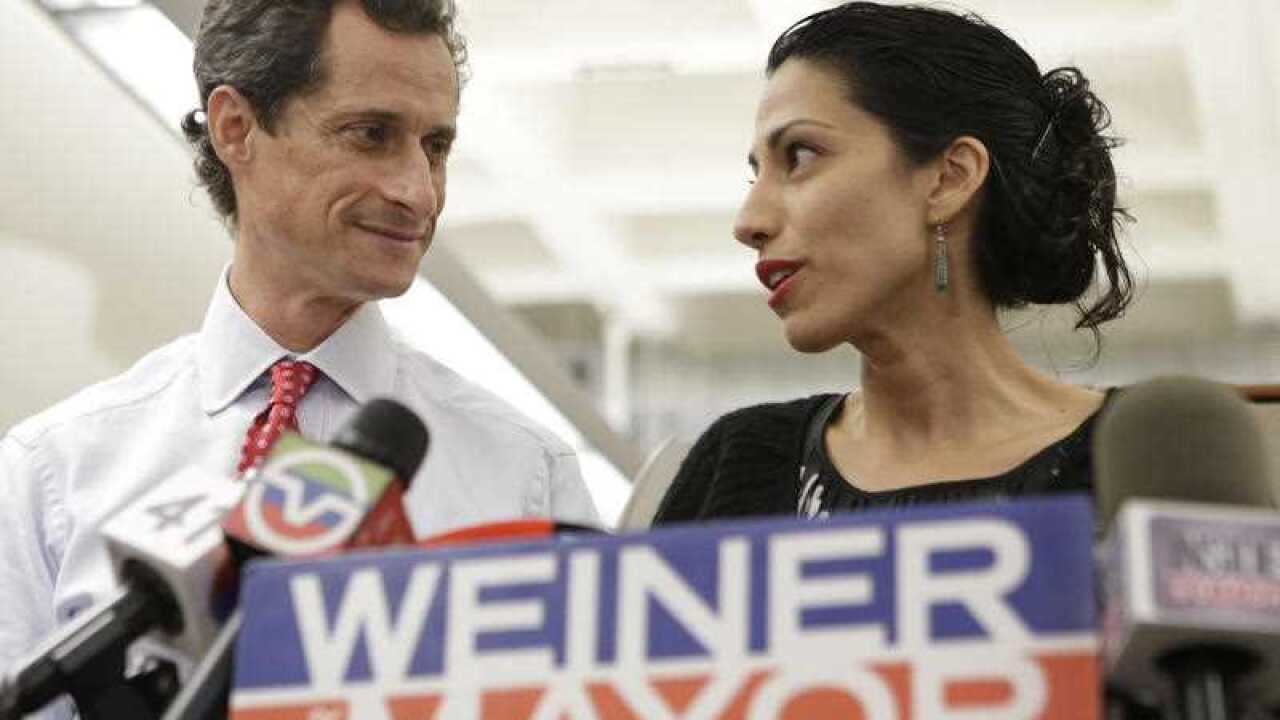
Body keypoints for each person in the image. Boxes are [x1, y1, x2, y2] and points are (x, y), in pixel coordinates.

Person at [0, 0, 599, 709]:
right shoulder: (50, 475)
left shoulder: (527, 475)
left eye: (436, 147)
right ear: (236, 128)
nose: (418, 191)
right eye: (371, 134)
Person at [653, 1, 1134, 524]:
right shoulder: (736, 461)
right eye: (756, 173)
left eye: (800, 155)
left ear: (949, 179)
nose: (749, 222)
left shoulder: (1144, 458)